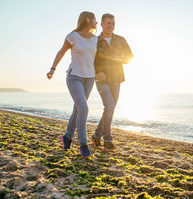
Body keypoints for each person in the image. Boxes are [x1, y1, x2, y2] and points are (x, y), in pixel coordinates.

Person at [46, 11, 98, 158]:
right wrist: (53, 68)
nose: (96, 21)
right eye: (94, 19)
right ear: (88, 20)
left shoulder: (96, 39)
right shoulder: (73, 36)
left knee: (78, 109)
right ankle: (83, 144)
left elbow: (101, 58)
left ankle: (68, 137)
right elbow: (61, 52)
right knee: (83, 108)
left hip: (90, 78)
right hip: (74, 77)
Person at [91, 13, 133, 151]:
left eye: (113, 23)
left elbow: (129, 57)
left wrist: (119, 59)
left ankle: (97, 136)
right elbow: (91, 59)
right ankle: (107, 140)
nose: (111, 26)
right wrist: (98, 71)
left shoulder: (121, 40)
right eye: (108, 23)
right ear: (102, 24)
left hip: (116, 78)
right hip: (101, 79)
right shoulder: (95, 41)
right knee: (109, 106)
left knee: (110, 108)